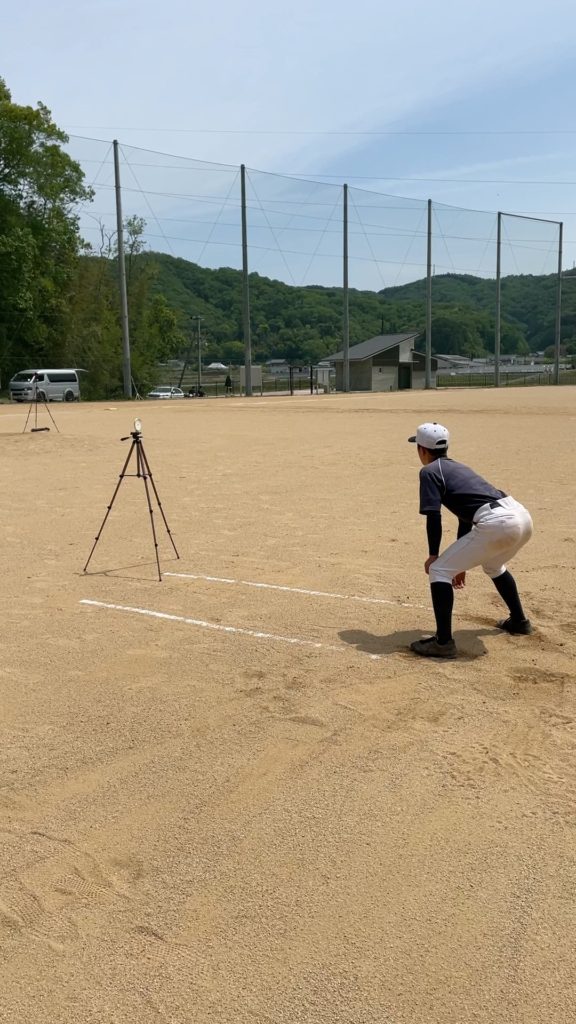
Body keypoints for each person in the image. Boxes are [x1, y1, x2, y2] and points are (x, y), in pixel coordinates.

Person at [408, 422, 533, 659]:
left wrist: (433, 555)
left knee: (439, 570)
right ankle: (519, 621)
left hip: (499, 523)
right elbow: (464, 516)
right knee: (494, 566)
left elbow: (434, 516)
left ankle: (443, 643)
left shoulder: (430, 471)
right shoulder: (458, 467)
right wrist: (461, 562)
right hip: (521, 517)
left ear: (422, 450)